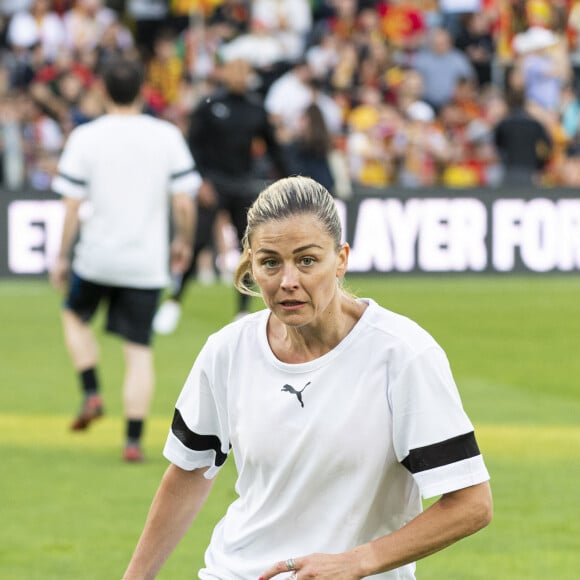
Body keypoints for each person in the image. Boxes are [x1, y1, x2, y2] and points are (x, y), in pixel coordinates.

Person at [123, 175, 493, 579]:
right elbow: (189, 470)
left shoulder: (402, 354)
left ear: (341, 260)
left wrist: (357, 562)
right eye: (269, 263)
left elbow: (471, 502)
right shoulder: (228, 350)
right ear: (250, 265)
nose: (288, 281)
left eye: (307, 260)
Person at [49, 56, 201, 462]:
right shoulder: (165, 135)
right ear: (142, 90)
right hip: (145, 262)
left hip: (96, 256)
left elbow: (70, 205)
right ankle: (133, 441)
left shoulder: (86, 136)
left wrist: (62, 256)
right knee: (139, 352)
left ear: (102, 90)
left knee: (72, 316)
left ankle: (91, 390)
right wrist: (183, 242)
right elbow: (184, 202)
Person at [152, 57, 289, 334]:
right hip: (212, 186)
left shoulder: (255, 108)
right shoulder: (209, 105)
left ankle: (242, 309)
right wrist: (200, 180)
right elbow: (192, 147)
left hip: (243, 186)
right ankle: (174, 302)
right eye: (234, 69)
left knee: (251, 248)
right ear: (224, 72)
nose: (239, 75)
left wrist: (290, 179)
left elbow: (275, 149)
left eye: (244, 69)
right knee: (197, 242)